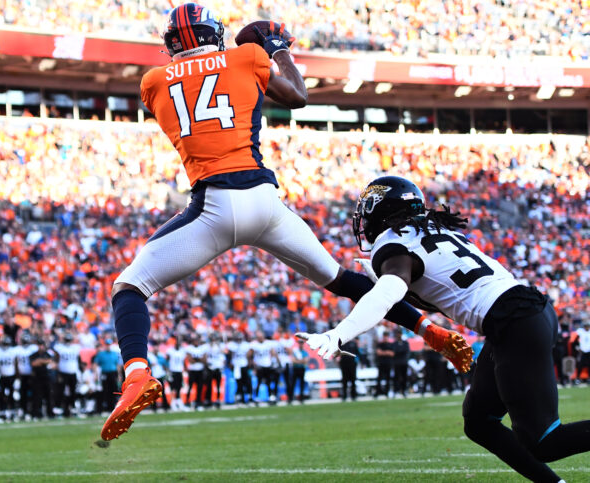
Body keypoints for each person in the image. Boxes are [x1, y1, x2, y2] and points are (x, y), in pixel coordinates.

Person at [101, 2, 471, 441]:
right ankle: (430, 329)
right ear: (210, 34)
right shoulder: (246, 56)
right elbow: (296, 96)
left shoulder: (152, 82)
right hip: (264, 202)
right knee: (337, 278)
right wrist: (276, 49)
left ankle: (138, 373)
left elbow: (197, 87)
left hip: (212, 207)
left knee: (129, 287)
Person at [299, 175, 590, 483]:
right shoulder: (432, 229)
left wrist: (338, 333)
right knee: (479, 421)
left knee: (544, 441)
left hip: (515, 322)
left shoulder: (394, 245)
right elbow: (431, 287)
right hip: (526, 311)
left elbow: (387, 296)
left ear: (379, 211)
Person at [53, 332, 80, 417]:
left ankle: (73, 408)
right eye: (66, 339)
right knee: (60, 391)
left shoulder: (75, 347)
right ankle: (58, 409)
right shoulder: (60, 347)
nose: (68, 341)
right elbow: (55, 351)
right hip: (63, 373)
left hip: (73, 372)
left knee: (73, 391)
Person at [92, 338, 121, 414]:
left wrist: (119, 375)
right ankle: (105, 407)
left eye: (109, 345)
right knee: (105, 390)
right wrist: (95, 374)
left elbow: (117, 365)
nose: (108, 346)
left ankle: (112, 407)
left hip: (113, 373)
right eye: (107, 345)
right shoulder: (101, 354)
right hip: (105, 373)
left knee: (113, 390)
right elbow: (95, 364)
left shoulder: (114, 353)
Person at [29, 338, 55, 419]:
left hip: (47, 377)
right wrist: (44, 361)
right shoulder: (34, 355)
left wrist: (40, 361)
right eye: (39, 345)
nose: (41, 347)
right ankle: (37, 414)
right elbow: (34, 363)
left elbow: (53, 363)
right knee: (37, 397)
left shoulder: (48, 354)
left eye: (42, 345)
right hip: (37, 378)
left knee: (49, 396)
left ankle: (50, 413)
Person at [374, 331, 394, 398]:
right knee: (379, 378)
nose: (385, 337)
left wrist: (383, 352)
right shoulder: (380, 344)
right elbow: (378, 353)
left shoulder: (391, 345)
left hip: (388, 363)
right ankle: (377, 392)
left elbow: (392, 354)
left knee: (388, 378)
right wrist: (387, 352)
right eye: (384, 336)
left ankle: (387, 392)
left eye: (386, 336)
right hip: (381, 363)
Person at [289, 339, 309, 403]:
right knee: (293, 384)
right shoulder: (295, 352)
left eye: (301, 343)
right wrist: (301, 361)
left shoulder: (304, 352)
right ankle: (291, 398)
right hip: (295, 369)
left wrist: (298, 361)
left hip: (301, 369)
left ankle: (301, 398)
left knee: (302, 384)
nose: (300, 344)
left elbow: (306, 361)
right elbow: (293, 360)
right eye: (299, 343)